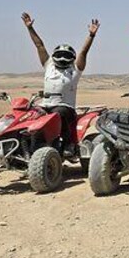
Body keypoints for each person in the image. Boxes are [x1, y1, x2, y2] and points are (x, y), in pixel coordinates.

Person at [21, 11, 99, 156]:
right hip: (45, 105)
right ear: (54, 56)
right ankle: (27, 147)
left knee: (58, 114)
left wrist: (91, 35)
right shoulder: (49, 65)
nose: (63, 58)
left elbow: (84, 51)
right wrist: (30, 28)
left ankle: (68, 144)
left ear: (72, 57)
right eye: (60, 55)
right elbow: (39, 45)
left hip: (65, 108)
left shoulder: (75, 70)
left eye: (66, 55)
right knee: (29, 117)